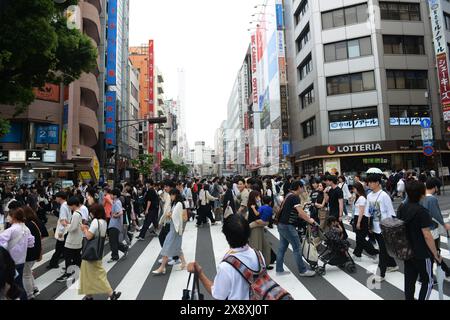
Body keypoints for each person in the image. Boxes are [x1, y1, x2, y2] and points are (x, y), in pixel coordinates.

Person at [187, 214, 268, 300]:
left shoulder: (226, 267)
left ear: (226, 236)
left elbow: (217, 294)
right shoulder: (259, 255)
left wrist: (199, 273)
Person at [397, 180, 443, 300]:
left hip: (407, 251)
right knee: (427, 281)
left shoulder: (402, 207)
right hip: (422, 252)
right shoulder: (422, 211)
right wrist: (435, 254)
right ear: (421, 193)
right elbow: (427, 235)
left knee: (409, 281)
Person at [79, 204, 121, 300]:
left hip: (90, 252)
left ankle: (111, 294)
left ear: (95, 213)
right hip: (98, 250)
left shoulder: (95, 221)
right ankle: (89, 295)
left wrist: (84, 229)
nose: (91, 214)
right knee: (90, 273)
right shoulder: (104, 222)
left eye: (92, 212)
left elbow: (89, 236)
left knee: (97, 274)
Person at [276, 181, 316, 277]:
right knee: (297, 248)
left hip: (281, 224)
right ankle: (303, 271)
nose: (304, 189)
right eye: (303, 187)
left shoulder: (288, 195)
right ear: (299, 187)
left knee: (282, 248)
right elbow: (301, 213)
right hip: (288, 226)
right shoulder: (294, 197)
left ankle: (279, 270)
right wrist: (310, 220)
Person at [364, 174, 399, 282]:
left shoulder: (384, 195)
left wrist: (390, 228)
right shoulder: (369, 196)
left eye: (371, 182)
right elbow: (367, 212)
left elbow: (391, 213)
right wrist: (368, 226)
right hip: (374, 227)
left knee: (382, 251)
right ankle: (392, 264)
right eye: (368, 182)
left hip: (384, 227)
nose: (368, 184)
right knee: (383, 249)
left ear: (378, 183)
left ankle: (381, 274)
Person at [0, 208, 35, 300]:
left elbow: (1, 242)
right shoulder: (26, 228)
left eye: (9, 216)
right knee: (18, 283)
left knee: (12, 285)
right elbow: (31, 243)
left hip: (11, 261)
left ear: (14, 217)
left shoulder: (11, 230)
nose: (8, 218)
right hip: (21, 260)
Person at [421, 178, 450, 281]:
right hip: (432, 229)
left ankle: (446, 270)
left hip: (422, 229)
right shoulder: (432, 199)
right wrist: (444, 224)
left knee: (430, 253)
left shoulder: (421, 196)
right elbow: (436, 214)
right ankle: (427, 277)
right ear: (435, 187)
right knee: (434, 252)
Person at [152, 189, 187, 275]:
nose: (170, 197)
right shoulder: (175, 203)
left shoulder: (179, 204)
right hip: (173, 228)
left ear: (175, 195)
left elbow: (176, 215)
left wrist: (169, 215)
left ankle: (162, 267)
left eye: (171, 195)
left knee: (166, 247)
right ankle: (184, 263)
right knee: (177, 248)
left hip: (175, 230)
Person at [57, 196, 83, 282]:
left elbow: (73, 228)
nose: (69, 207)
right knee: (76, 256)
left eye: (70, 206)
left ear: (73, 205)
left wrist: (65, 224)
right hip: (77, 239)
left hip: (72, 240)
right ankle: (78, 271)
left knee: (68, 256)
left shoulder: (75, 214)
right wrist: (69, 224)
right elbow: (74, 225)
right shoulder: (79, 212)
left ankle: (68, 274)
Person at [352, 182, 379, 261]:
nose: (353, 190)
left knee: (361, 239)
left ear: (358, 189)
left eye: (354, 189)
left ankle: (375, 252)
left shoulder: (362, 198)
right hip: (359, 218)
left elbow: (361, 211)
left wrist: (358, 222)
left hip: (362, 218)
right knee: (359, 238)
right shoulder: (359, 197)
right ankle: (357, 254)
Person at [22, 206, 42, 299]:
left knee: (25, 275)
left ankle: (29, 295)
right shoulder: (33, 222)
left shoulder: (26, 225)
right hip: (35, 252)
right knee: (28, 272)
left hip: (28, 254)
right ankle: (34, 288)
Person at [47, 192, 71, 269]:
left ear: (60, 198)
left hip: (63, 231)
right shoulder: (67, 204)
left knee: (59, 248)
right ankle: (55, 263)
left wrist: (60, 234)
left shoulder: (63, 206)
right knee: (62, 248)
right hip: (66, 229)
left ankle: (53, 263)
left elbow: (63, 221)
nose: (55, 199)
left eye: (56, 197)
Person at [107, 189, 129, 263]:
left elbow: (121, 212)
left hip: (114, 225)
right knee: (115, 241)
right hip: (115, 225)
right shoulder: (116, 202)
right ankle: (124, 248)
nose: (110, 196)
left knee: (112, 241)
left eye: (111, 194)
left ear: (115, 195)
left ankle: (114, 256)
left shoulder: (117, 202)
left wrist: (114, 215)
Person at [325, 175, 347, 239]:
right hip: (331, 211)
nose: (326, 182)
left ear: (331, 181)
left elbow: (341, 204)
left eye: (328, 181)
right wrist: (325, 192)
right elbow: (326, 201)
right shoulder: (330, 190)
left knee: (339, 227)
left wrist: (340, 215)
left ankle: (343, 239)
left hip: (337, 212)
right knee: (335, 227)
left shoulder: (338, 190)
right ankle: (339, 240)